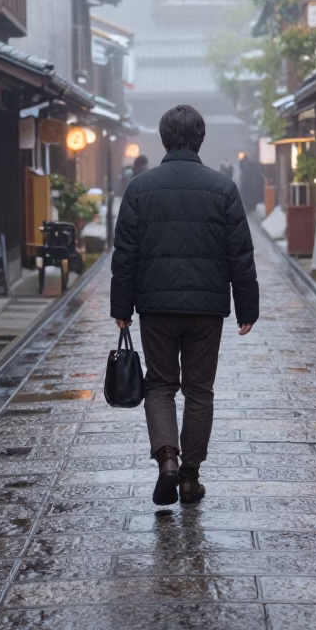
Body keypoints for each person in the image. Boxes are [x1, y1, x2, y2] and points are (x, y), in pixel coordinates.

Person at [111, 105, 259, 506]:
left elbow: (125, 253)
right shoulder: (223, 189)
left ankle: (168, 462)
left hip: (155, 305)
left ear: (162, 139)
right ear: (201, 139)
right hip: (206, 307)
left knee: (159, 384)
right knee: (199, 390)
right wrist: (247, 308)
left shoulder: (141, 188)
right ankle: (191, 476)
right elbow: (240, 254)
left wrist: (121, 306)